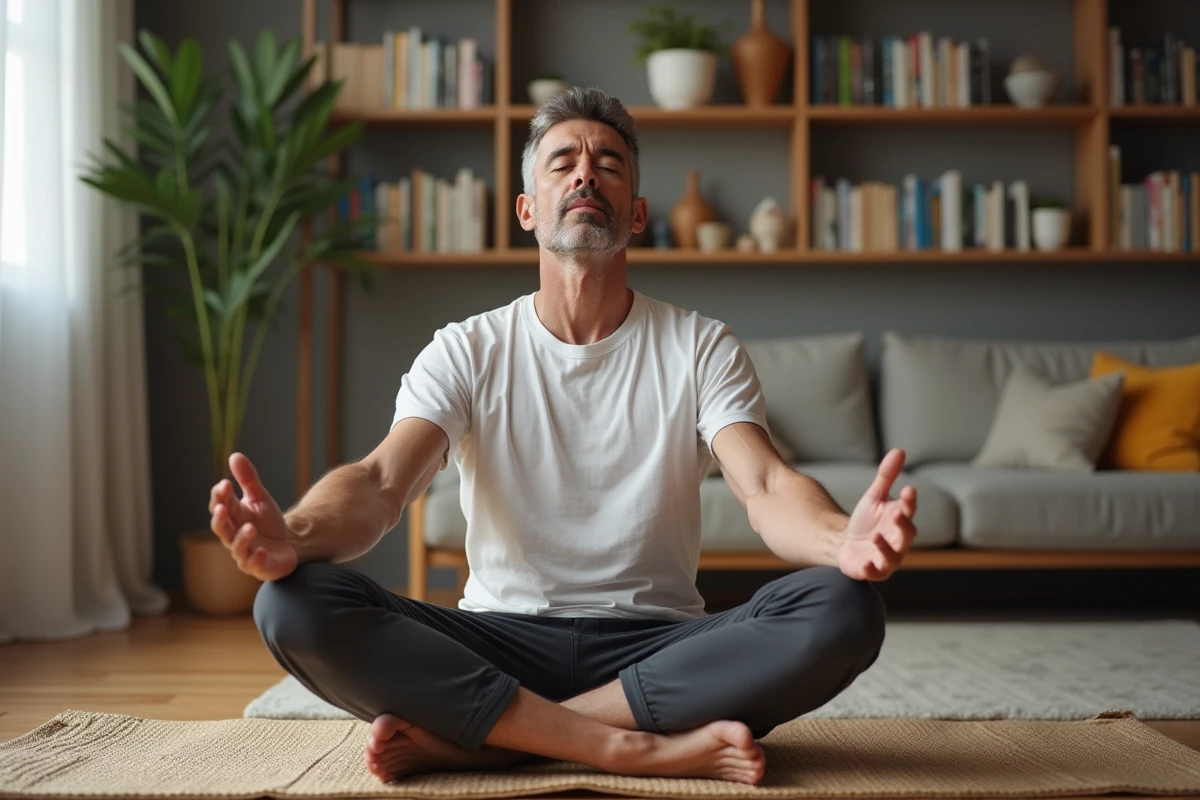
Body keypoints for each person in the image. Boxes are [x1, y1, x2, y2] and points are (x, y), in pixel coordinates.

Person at [208, 86, 917, 787]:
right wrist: (294, 536)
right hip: (497, 641)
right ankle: (628, 748)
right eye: (561, 163)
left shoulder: (701, 346)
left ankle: (496, 743)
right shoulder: (466, 349)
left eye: (608, 162)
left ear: (635, 214)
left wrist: (839, 541)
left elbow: (764, 486)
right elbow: (381, 483)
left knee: (844, 607)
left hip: (658, 645)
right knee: (290, 603)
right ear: (527, 210)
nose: (585, 173)